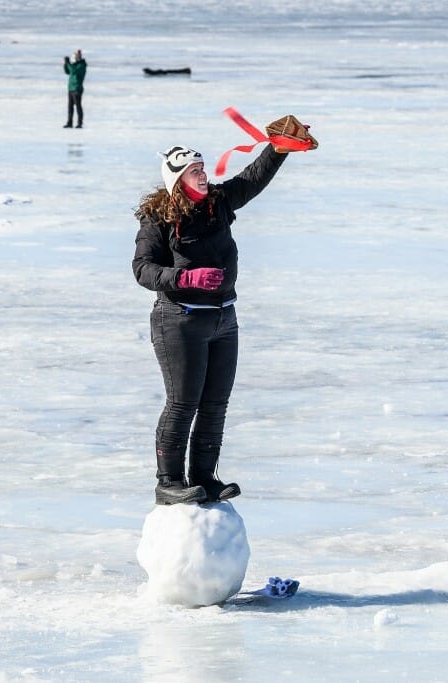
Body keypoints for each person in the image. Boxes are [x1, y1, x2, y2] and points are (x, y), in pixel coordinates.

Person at [132, 117, 314, 506]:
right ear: (177, 179)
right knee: (183, 403)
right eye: (194, 171)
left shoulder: (217, 203)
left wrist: (278, 149)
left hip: (222, 319)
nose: (202, 175)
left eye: (202, 169)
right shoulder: (159, 218)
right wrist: (186, 278)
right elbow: (142, 269)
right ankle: (169, 481)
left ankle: (204, 477)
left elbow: (251, 179)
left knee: (215, 404)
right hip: (178, 321)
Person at [63, 50, 86, 128]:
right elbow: (67, 71)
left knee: (78, 106)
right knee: (70, 107)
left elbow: (74, 71)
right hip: (71, 88)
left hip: (77, 88)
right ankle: (69, 122)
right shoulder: (74, 64)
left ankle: (80, 123)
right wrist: (65, 64)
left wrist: (68, 63)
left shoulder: (82, 65)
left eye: (77, 56)